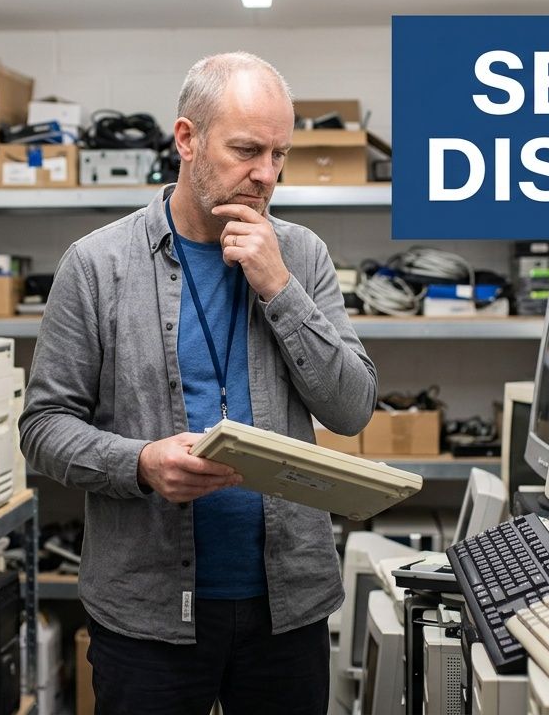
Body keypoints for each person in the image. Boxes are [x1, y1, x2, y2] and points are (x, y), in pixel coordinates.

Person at [20, 51, 377, 715]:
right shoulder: (96, 265)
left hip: (286, 604)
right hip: (146, 614)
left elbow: (352, 407)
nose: (266, 175)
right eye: (247, 150)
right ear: (186, 139)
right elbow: (43, 430)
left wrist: (279, 287)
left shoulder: (302, 256)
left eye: (280, 154)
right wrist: (141, 462)